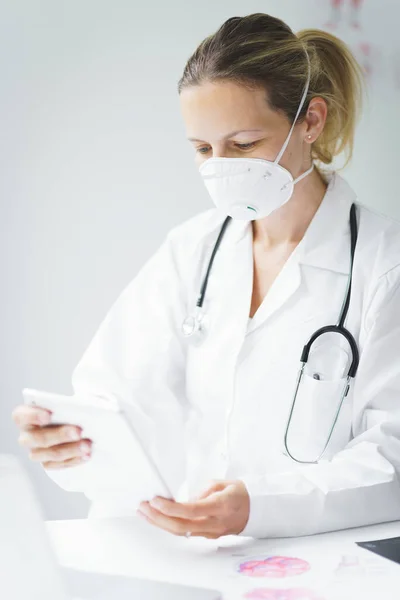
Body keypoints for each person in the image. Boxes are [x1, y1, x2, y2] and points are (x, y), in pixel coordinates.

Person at [12, 13, 400, 540]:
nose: (220, 167)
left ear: (311, 122)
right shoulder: (193, 249)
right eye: (202, 149)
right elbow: (121, 399)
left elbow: (391, 460)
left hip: (325, 565)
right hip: (196, 558)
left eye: (242, 145)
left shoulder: (384, 265)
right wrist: (73, 438)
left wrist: (260, 506)